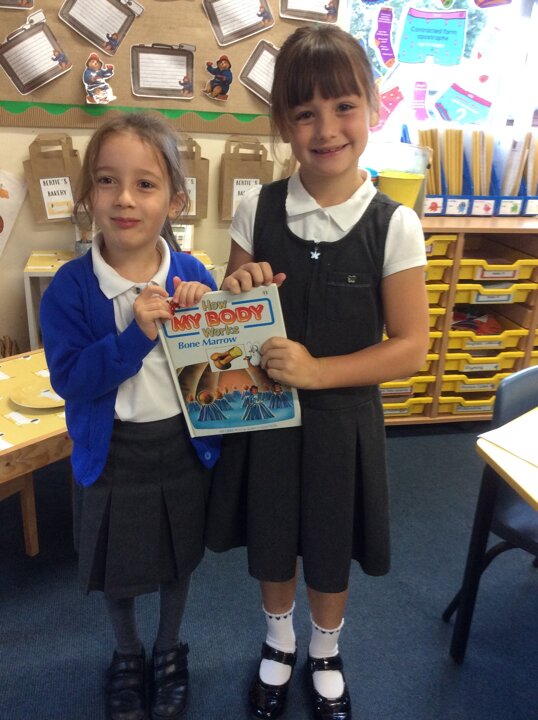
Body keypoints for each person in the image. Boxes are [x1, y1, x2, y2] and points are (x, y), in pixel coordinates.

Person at [205, 24, 429, 720]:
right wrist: (235, 290)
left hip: (342, 424)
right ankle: (278, 641)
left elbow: (411, 347)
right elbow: (227, 322)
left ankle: (326, 650)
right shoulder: (257, 208)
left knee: (331, 545)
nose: (326, 129)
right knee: (273, 537)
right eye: (305, 113)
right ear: (283, 123)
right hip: (264, 420)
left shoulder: (395, 224)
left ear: (373, 107)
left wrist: (317, 371)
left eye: (344, 106)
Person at [40, 112, 220, 720]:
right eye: (107, 180)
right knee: (114, 566)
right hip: (111, 451)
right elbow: (71, 380)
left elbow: (220, 372)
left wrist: (212, 314)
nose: (124, 199)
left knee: (177, 558)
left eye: (145, 184)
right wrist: (134, 337)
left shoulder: (193, 274)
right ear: (88, 193)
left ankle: (169, 649)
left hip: (180, 447)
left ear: (175, 200)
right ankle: (127, 653)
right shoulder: (70, 288)